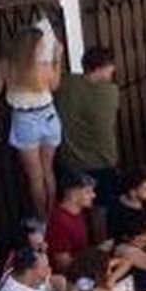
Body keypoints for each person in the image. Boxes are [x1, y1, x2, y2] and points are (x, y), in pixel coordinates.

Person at [0, 16, 63, 221]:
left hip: (24, 120)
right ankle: (54, 215)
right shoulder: (44, 66)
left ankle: (42, 219)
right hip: (48, 116)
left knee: (35, 177)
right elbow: (55, 86)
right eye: (41, 45)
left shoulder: (5, 64)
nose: (43, 47)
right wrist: (57, 58)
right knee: (48, 171)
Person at [55, 46, 121, 221]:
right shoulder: (109, 92)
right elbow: (104, 131)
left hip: (69, 161)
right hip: (100, 162)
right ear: (99, 68)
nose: (113, 69)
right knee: (102, 210)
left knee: (75, 211)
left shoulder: (65, 83)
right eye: (110, 66)